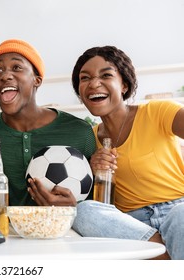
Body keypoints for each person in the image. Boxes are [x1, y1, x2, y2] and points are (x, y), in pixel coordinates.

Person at [0, 39, 96, 212]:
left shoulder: (80, 131)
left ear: (37, 80)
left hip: (67, 233)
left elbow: (96, 200)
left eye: (17, 68)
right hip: (8, 234)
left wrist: (73, 208)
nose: (5, 75)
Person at [71, 45, 184, 259]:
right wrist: (94, 173)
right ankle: (166, 254)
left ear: (124, 84)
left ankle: (158, 257)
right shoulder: (89, 138)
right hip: (133, 225)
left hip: (177, 213)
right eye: (85, 78)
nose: (94, 84)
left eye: (106, 75)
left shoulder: (157, 111)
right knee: (83, 211)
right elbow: (104, 208)